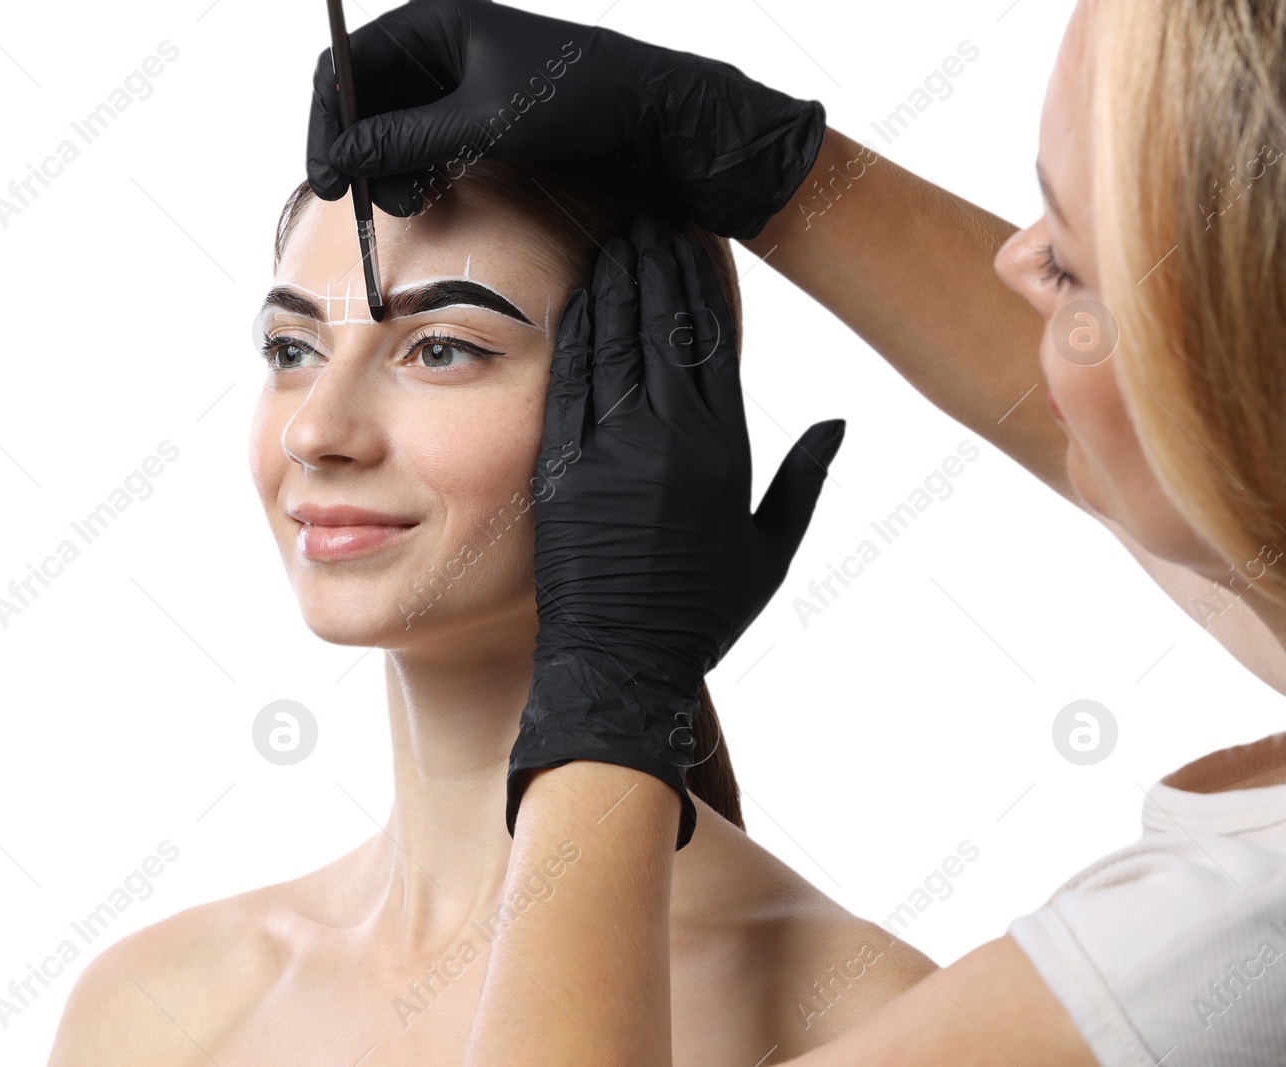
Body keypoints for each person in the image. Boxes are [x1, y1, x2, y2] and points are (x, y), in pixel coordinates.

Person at [297, 0, 1286, 1064]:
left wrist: (614, 687)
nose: (315, 428)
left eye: (1070, 267)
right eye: (287, 348)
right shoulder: (155, 987)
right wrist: (774, 164)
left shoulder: (1215, 952)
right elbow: (1199, 425)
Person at [42, 157, 938, 1065]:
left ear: (653, 415)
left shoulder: (874, 1021)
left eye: (440, 349)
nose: (314, 430)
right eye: (292, 350)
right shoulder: (155, 1007)